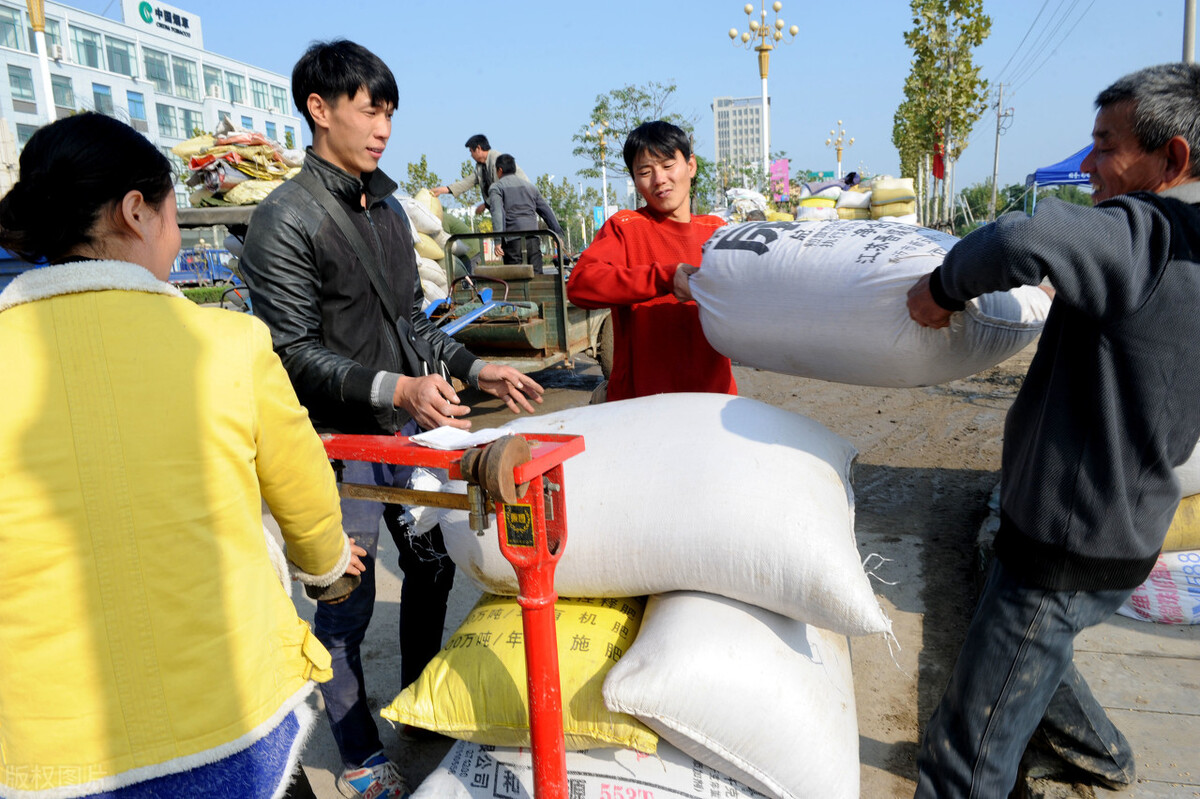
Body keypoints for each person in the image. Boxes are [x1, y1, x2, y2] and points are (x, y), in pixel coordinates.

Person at [0, 113, 364, 799]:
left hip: (38, 752)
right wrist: (328, 567)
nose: (175, 232)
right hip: (225, 722)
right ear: (135, 211)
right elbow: (307, 496)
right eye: (171, 212)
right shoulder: (227, 343)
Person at [238, 40, 543, 799]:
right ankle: (359, 749)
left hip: (402, 433)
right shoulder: (285, 220)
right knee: (346, 593)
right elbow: (292, 353)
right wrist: (396, 389)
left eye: (390, 112)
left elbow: (413, 318)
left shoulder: (387, 208)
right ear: (320, 108)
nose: (383, 127)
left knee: (434, 567)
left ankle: (418, 700)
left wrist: (474, 367)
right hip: (333, 440)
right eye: (370, 109)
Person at [905, 62, 1200, 798]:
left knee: (961, 755)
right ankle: (1103, 751)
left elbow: (1016, 235)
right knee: (1030, 645)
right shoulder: (1184, 252)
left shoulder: (1147, 233)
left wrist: (939, 290)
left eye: (1108, 145)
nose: (1090, 163)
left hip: (1064, 544)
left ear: (1174, 160)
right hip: (1122, 527)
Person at [566, 120, 735, 401]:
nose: (659, 180)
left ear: (690, 166)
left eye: (668, 166)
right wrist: (665, 277)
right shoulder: (625, 227)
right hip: (641, 403)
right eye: (645, 171)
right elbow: (580, 285)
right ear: (635, 179)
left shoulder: (717, 231)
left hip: (714, 399)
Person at [489, 153, 565, 271]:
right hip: (533, 239)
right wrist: (557, 234)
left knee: (516, 280)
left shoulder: (497, 187)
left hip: (512, 241)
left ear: (500, 170)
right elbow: (546, 211)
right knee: (537, 276)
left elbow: (497, 214)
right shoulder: (530, 187)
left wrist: (498, 240)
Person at [431, 133, 529, 215]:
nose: (471, 155)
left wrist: (485, 205)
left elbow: (501, 188)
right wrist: (444, 189)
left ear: (478, 148)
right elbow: (467, 182)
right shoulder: (481, 166)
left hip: (520, 202)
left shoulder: (496, 160)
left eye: (471, 151)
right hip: (506, 207)